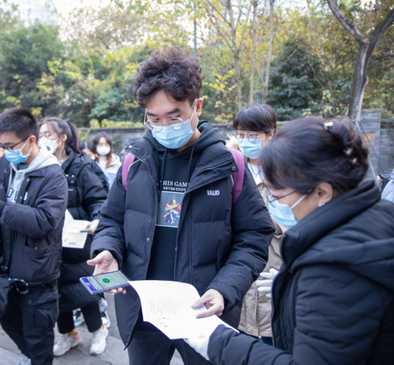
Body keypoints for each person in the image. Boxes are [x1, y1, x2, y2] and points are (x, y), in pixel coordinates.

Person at [185, 117, 394, 365]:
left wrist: (219, 342)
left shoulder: (331, 267)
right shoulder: (388, 215)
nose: (277, 204)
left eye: (280, 195)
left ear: (322, 191)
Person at [88, 47, 274, 365]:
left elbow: (254, 239)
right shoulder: (134, 161)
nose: (164, 127)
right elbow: (111, 220)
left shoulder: (230, 165)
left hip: (204, 310)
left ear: (197, 106)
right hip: (142, 309)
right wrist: (108, 250)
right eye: (154, 119)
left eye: (174, 116)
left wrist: (225, 289)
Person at [0, 108, 68, 365]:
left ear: (31, 140)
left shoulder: (52, 175)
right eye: (0, 145)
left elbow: (45, 221)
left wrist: (1, 209)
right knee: (9, 322)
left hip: (36, 276)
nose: (5, 151)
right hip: (2, 269)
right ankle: (28, 357)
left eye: (10, 145)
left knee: (39, 337)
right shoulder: (5, 163)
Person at [38, 117, 109, 357]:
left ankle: (99, 328)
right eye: (40, 134)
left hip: (77, 240)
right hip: (48, 242)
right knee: (56, 290)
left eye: (48, 134)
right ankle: (68, 335)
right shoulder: (39, 164)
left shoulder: (80, 165)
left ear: (62, 138)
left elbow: (97, 198)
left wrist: (97, 220)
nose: (42, 139)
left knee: (84, 289)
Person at [232, 104, 285, 344]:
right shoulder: (230, 168)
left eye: (252, 135)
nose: (245, 141)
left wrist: (270, 223)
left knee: (272, 341)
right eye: (241, 135)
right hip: (239, 266)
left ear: (270, 134)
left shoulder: (289, 172)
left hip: (276, 267)